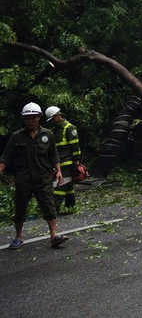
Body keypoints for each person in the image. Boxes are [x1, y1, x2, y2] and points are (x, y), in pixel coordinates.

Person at [0, 103, 69, 249]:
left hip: (43, 178)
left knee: (48, 206)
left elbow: (53, 155)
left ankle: (54, 235)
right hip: (23, 179)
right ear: (23, 120)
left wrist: (59, 171)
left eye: (33, 118)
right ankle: (18, 237)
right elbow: (5, 158)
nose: (30, 121)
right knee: (20, 208)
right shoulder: (16, 137)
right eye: (27, 118)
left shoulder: (48, 135)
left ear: (38, 118)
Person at [45, 106, 81, 213]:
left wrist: (76, 161)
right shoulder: (55, 129)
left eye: (52, 119)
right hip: (59, 161)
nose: (51, 122)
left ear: (57, 115)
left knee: (60, 185)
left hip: (68, 162)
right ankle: (71, 206)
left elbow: (75, 145)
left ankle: (54, 209)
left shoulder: (69, 128)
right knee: (68, 184)